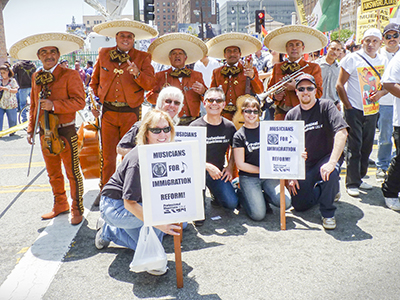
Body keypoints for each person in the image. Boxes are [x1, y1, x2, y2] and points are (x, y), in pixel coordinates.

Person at [9, 32, 86, 224]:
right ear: (39, 56)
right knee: (53, 172)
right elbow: (34, 105)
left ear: (58, 55)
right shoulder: (36, 76)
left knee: (72, 172)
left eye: (52, 52)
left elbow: (80, 102)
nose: (48, 55)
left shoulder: (70, 75)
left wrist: (55, 105)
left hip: (66, 130)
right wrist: (30, 129)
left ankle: (76, 208)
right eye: (44, 52)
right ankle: (60, 203)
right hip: (45, 132)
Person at [95, 109, 181, 275]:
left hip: (142, 202)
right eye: (156, 130)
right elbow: (129, 203)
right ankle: (108, 229)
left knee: (147, 246)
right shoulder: (138, 158)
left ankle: (120, 232)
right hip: (116, 205)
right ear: (146, 133)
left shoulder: (167, 151)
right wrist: (159, 222)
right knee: (160, 223)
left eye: (166, 128)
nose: (162, 134)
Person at [90, 20, 158, 204]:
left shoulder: (143, 57)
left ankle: (129, 191)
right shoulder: (104, 53)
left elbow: (150, 84)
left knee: (129, 153)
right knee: (108, 155)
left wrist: (137, 73)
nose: (125, 39)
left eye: (129, 36)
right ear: (116, 37)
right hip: (108, 113)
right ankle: (105, 191)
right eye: (122, 36)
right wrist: (94, 103)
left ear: (134, 39)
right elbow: (93, 83)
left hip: (131, 113)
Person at [286, 74, 349, 230]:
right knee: (299, 206)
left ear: (316, 90)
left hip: (326, 157)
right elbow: (288, 149)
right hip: (305, 164)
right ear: (296, 92)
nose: (305, 92)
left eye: (309, 88)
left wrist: (332, 162)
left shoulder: (326, 106)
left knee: (329, 172)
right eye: (301, 89)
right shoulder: (291, 115)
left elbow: (342, 132)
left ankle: (328, 213)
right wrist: (290, 176)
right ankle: (327, 189)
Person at [336, 28, 389, 197]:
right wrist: (348, 106)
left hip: (372, 110)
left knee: (367, 146)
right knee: (354, 146)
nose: (371, 44)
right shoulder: (352, 58)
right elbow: (339, 85)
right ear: (362, 42)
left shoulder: (383, 60)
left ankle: (359, 177)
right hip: (354, 110)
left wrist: (380, 94)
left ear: (380, 43)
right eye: (368, 40)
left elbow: (388, 83)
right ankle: (351, 182)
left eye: (375, 41)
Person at [233, 96, 291, 221]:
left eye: (255, 111)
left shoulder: (268, 129)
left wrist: (296, 155)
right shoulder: (239, 135)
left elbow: (283, 148)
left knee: (286, 203)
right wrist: (262, 170)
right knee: (258, 215)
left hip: (268, 176)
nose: (251, 114)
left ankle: (263, 196)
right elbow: (241, 165)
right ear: (242, 112)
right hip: (249, 177)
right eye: (248, 111)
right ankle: (242, 195)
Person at [190, 87, 238, 213]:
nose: (214, 104)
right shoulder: (194, 126)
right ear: (204, 103)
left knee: (231, 203)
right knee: (198, 214)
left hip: (218, 173)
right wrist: (206, 166)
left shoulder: (229, 126)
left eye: (218, 100)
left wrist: (230, 166)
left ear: (224, 104)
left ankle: (216, 194)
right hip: (197, 174)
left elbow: (234, 147)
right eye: (210, 100)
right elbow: (188, 155)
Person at [264, 24, 326, 120]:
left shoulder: (313, 67)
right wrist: (275, 96)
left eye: (298, 45)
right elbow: (270, 90)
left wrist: (297, 87)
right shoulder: (278, 67)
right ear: (286, 49)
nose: (294, 48)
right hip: (281, 115)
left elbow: (318, 93)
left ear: (303, 48)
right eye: (291, 45)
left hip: (304, 114)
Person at [147, 33, 207, 125]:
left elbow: (207, 99)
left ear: (185, 58)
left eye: (180, 53)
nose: (177, 56)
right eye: (174, 54)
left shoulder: (196, 75)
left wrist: (203, 92)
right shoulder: (161, 76)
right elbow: (150, 98)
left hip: (193, 122)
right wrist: (162, 96)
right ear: (170, 58)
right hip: (169, 121)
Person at [207, 32, 264, 120]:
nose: (232, 54)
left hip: (243, 116)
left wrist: (252, 77)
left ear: (240, 54)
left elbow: (260, 91)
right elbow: (212, 94)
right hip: (223, 116)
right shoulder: (217, 72)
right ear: (224, 55)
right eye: (229, 51)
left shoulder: (249, 69)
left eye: (235, 51)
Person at [117, 86, 184, 156]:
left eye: (177, 103)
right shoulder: (143, 125)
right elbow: (121, 148)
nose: (172, 105)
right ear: (160, 102)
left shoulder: (183, 127)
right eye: (168, 101)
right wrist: (145, 155)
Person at [376, 23, 400, 180]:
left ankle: (393, 166)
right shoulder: (378, 56)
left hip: (397, 103)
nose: (392, 39)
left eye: (395, 35)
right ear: (383, 39)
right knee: (385, 137)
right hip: (384, 102)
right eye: (388, 36)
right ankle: (382, 165)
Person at [316, 40, 342, 109]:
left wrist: (339, 102)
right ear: (327, 48)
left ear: (340, 52)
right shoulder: (316, 65)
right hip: (317, 103)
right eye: (333, 49)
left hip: (333, 105)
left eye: (338, 50)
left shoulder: (340, 68)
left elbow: (340, 87)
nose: (335, 52)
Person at [0, 64, 19, 134]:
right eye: (1, 73)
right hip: (1, 103)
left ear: (8, 72)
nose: (2, 74)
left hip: (11, 103)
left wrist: (7, 89)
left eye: (3, 73)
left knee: (12, 120)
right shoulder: (0, 80)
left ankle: (12, 133)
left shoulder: (12, 80)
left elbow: (16, 90)